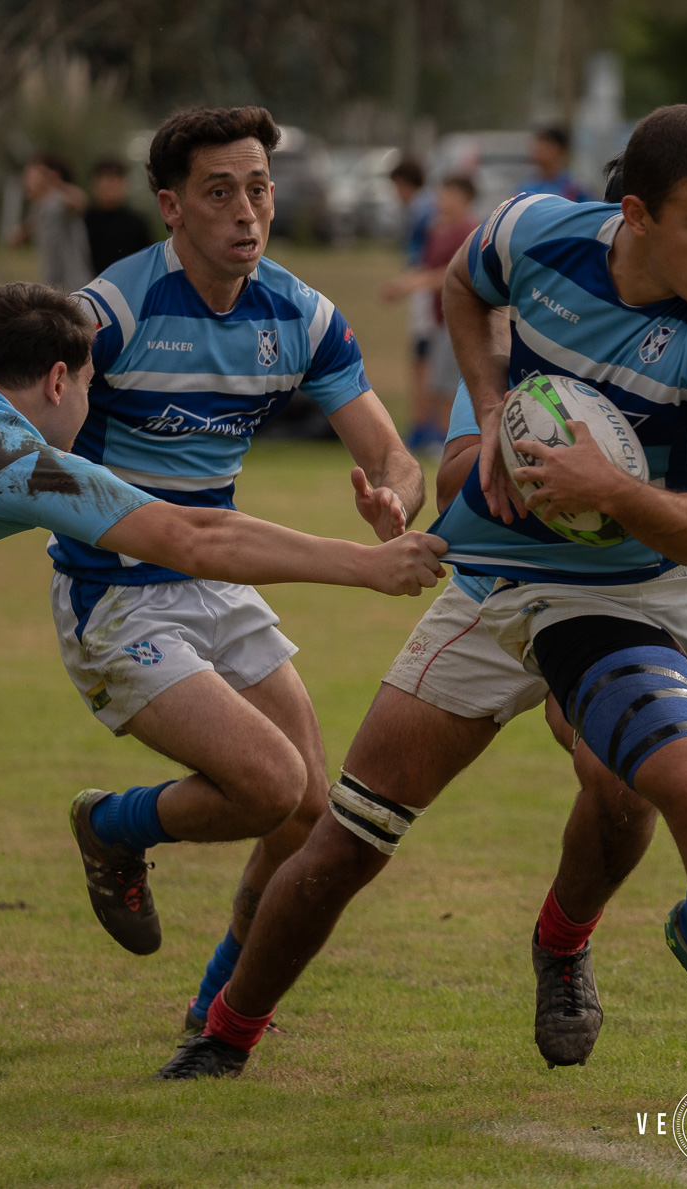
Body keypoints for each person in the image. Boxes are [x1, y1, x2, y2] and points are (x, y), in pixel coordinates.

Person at [163, 104, 687, 1121]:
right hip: (519, 574)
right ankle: (226, 1032)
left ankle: (601, 941)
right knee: (356, 831)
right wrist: (488, 417)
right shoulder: (537, 234)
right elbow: (462, 289)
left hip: (677, 574)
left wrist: (610, 492)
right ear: (635, 215)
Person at [54, 105, 429, 1009]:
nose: (246, 212)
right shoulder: (110, 313)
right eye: (218, 192)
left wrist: (393, 497)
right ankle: (109, 826)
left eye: (258, 188)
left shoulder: (300, 315)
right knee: (269, 783)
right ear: (171, 207)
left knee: (306, 814)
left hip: (217, 576)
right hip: (117, 597)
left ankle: (219, 1007)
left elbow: (393, 453)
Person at [0, 282, 446, 657]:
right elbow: (192, 537)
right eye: (92, 384)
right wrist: (368, 565)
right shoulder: (8, 458)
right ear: (60, 381)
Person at [380, 174, 475, 453]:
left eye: (450, 194)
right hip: (437, 318)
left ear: (465, 198)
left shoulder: (470, 230)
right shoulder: (438, 230)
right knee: (434, 380)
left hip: (458, 319)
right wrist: (404, 283)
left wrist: (412, 284)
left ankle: (450, 443)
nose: (442, 200)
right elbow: (426, 267)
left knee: (448, 385)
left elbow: (454, 274)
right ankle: (437, 437)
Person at [378, 160, 440, 449]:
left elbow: (428, 256)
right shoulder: (426, 206)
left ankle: (424, 429)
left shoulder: (422, 209)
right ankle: (422, 426)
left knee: (424, 358)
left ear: (404, 183)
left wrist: (404, 284)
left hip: (425, 289)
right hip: (422, 286)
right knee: (423, 357)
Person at [9, 153, 94, 292]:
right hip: (53, 281)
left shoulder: (60, 200)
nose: (26, 179)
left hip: (75, 282)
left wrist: (56, 184)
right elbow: (34, 222)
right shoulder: (39, 205)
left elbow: (81, 201)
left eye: (31, 174)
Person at [83, 158, 155, 276]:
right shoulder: (82, 219)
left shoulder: (137, 223)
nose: (110, 185)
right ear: (95, 183)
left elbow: (147, 263)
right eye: (106, 179)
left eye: (116, 179)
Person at [524, 126, 588, 202]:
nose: (538, 149)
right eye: (537, 145)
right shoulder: (527, 188)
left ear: (561, 149)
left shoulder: (575, 188)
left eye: (546, 145)